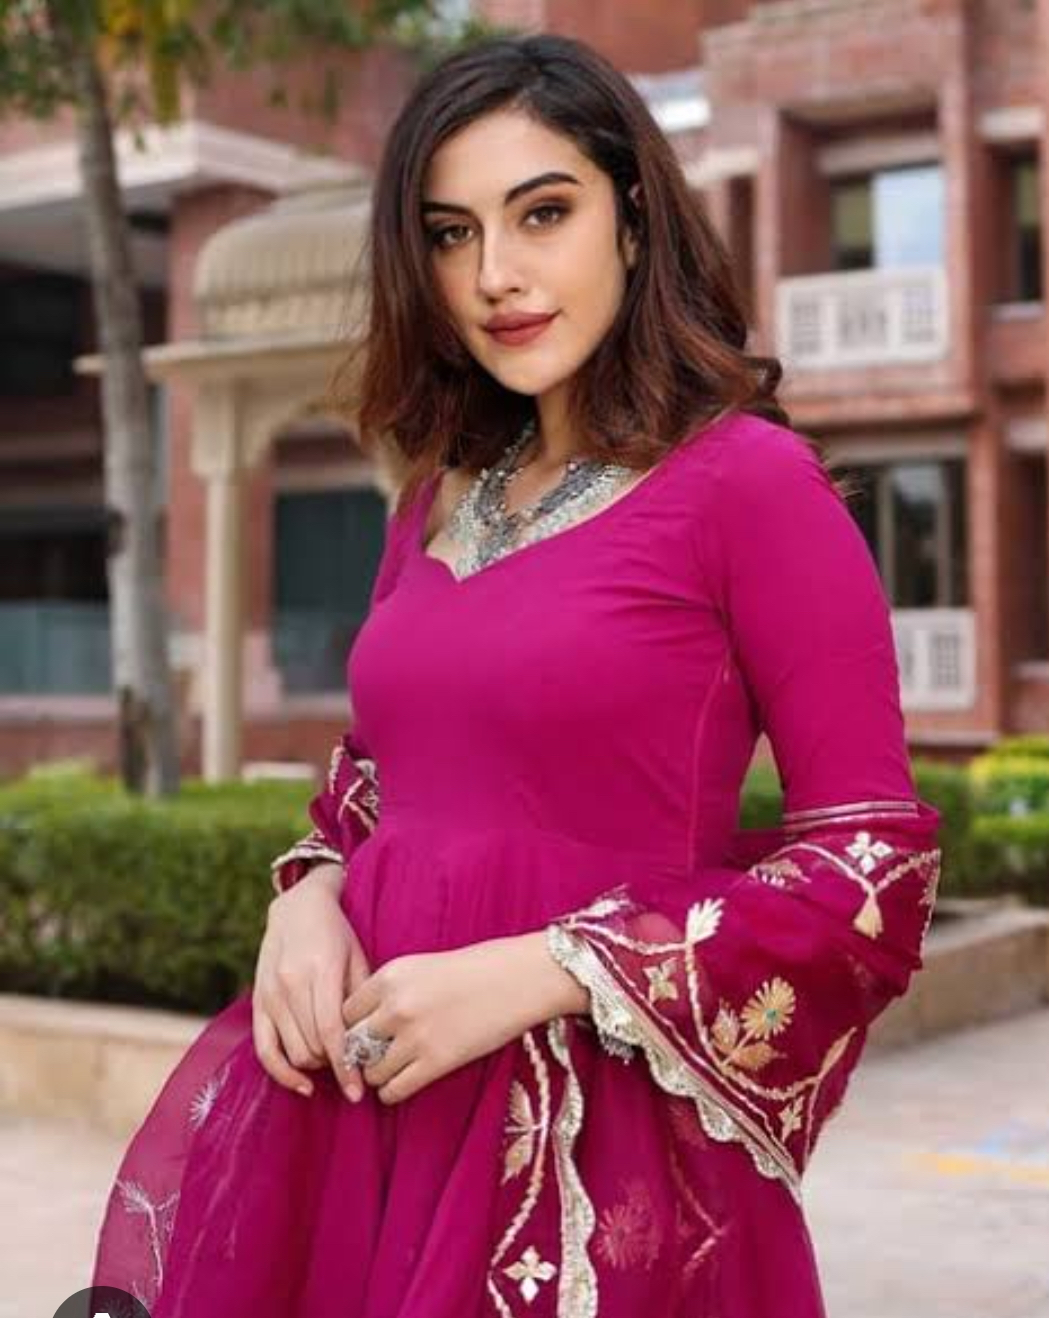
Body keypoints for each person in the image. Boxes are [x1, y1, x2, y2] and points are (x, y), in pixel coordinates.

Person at [88, 31, 942, 1318]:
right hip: (352, 1114)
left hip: (590, 1140)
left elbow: (870, 869)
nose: (495, 275)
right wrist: (306, 898)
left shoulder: (751, 486)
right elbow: (381, 778)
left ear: (634, 218)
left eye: (543, 213)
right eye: (451, 234)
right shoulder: (434, 500)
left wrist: (550, 968)